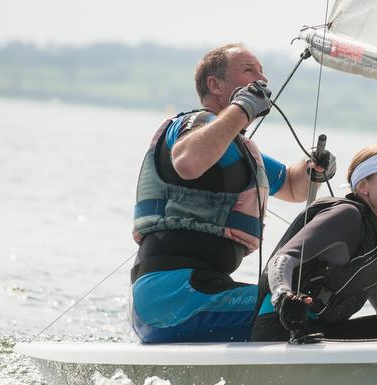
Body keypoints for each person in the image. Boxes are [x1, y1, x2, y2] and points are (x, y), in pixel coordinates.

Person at [130, 43, 335, 343]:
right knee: (299, 309)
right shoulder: (196, 124)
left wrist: (315, 168)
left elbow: (292, 186)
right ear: (215, 85)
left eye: (263, 72)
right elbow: (187, 162)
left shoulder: (236, 150)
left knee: (298, 305)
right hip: (171, 294)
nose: (262, 79)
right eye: (249, 70)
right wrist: (242, 108)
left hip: (202, 289)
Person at [251, 144, 377, 342]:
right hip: (283, 328)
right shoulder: (346, 215)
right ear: (363, 185)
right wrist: (282, 296)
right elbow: (283, 258)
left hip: (322, 331)